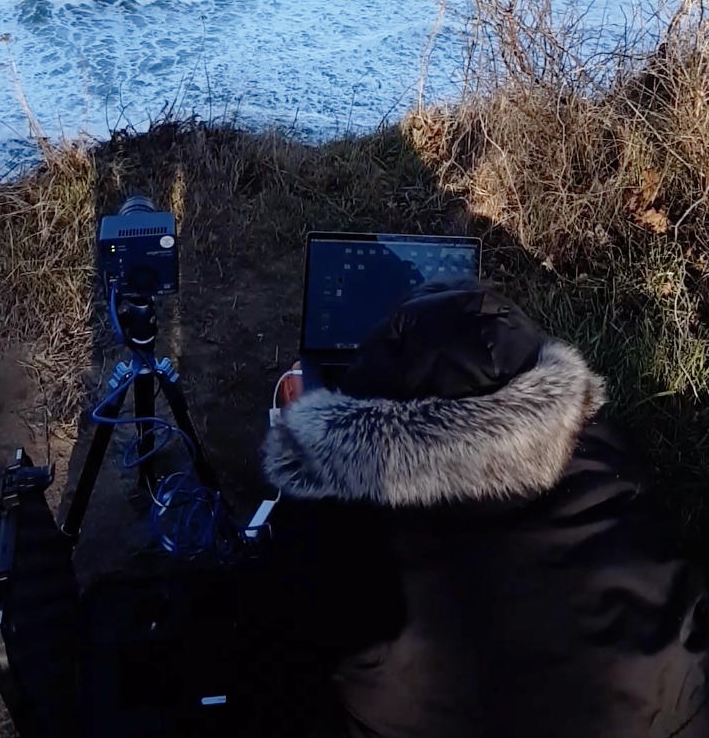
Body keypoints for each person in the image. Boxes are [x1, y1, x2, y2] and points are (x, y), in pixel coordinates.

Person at [256, 280, 709, 738]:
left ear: (371, 415)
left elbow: (280, 632)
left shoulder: (337, 536)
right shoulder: (607, 456)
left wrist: (314, 440)